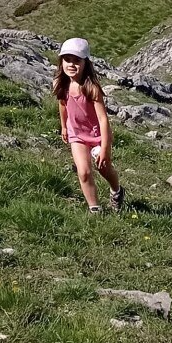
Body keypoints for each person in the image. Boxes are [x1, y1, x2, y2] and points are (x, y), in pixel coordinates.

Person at [54, 37, 124, 213]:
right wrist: (64, 126)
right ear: (61, 61)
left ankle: (117, 191)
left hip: (96, 136)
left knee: (104, 168)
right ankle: (95, 209)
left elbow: (102, 119)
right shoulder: (61, 84)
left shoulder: (91, 88)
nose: (71, 64)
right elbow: (62, 105)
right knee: (83, 172)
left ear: (85, 63)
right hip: (76, 134)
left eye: (76, 60)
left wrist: (106, 148)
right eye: (67, 60)